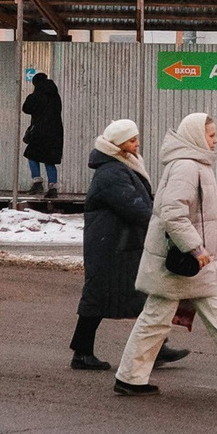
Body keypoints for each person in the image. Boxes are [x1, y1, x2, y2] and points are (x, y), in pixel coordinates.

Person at [114, 111, 217, 397]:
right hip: (183, 259)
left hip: (194, 261)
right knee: (157, 318)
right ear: (196, 136)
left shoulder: (195, 164)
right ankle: (130, 377)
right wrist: (195, 247)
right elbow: (172, 212)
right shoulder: (186, 167)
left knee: (213, 311)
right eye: (211, 135)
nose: (215, 141)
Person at [70, 120, 188, 372]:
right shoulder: (111, 172)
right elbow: (133, 206)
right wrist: (161, 223)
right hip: (111, 246)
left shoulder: (121, 165)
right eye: (132, 140)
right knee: (100, 297)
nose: (137, 144)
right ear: (118, 144)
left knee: (136, 296)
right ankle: (82, 353)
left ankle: (154, 348)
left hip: (119, 243)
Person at [21, 68, 65, 199]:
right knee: (49, 160)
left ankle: (37, 182)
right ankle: (53, 188)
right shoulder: (55, 96)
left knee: (31, 155)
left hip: (40, 130)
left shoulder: (36, 95)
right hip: (56, 131)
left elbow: (26, 108)